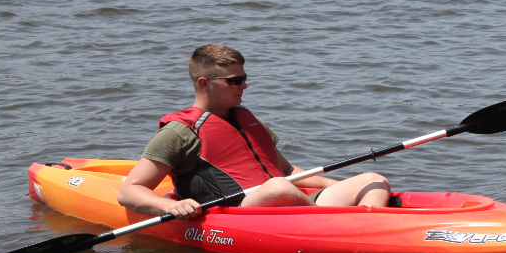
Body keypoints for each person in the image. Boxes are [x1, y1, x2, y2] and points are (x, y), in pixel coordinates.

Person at [117, 44, 391, 219]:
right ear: (204, 83)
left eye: (244, 78)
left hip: (289, 203)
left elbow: (285, 171)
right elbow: (130, 190)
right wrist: (168, 207)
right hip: (236, 214)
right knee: (276, 188)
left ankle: (370, 230)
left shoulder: (248, 120)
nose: (244, 86)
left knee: (373, 179)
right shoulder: (178, 133)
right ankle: (335, 226)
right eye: (234, 81)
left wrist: (335, 186)